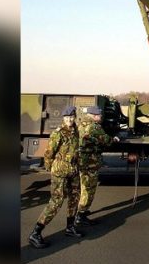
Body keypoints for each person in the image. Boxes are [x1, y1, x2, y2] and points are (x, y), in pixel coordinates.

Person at [28, 106, 83, 249]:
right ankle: (36, 232)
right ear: (63, 118)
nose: (69, 120)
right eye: (67, 117)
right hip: (60, 171)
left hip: (73, 170)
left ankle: (70, 227)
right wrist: (51, 168)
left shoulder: (76, 131)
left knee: (75, 198)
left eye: (71, 117)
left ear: (74, 117)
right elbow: (48, 153)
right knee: (56, 202)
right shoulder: (58, 133)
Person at [75, 105, 119, 226]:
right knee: (89, 189)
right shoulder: (94, 127)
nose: (101, 117)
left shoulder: (80, 124)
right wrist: (115, 139)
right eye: (99, 115)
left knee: (83, 187)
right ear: (94, 116)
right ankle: (80, 216)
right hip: (90, 162)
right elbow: (107, 141)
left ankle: (80, 210)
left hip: (81, 161)